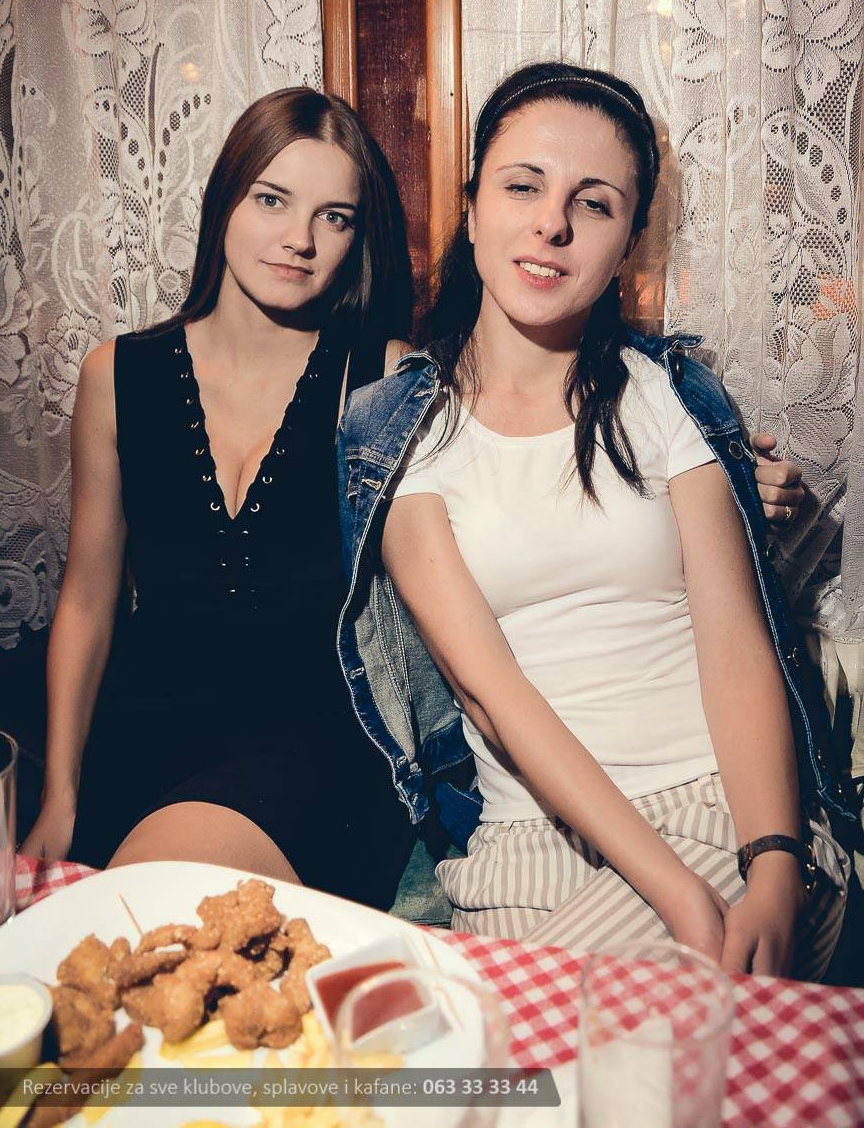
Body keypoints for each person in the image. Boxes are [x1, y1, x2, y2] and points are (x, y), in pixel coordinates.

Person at [336, 62, 853, 977]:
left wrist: (773, 865)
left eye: (594, 203)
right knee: (503, 1052)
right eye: (522, 186)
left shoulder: (666, 396)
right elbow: (491, 696)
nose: (551, 224)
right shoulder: (396, 431)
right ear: (471, 207)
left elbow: (735, 646)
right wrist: (672, 894)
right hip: (523, 846)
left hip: (721, 812)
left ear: (627, 246)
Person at [20, 87, 415, 909]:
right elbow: (88, 598)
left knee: (159, 913)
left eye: (334, 217)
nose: (300, 239)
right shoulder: (115, 375)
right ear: (225, 199)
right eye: (272, 199)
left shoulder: (381, 378)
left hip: (313, 739)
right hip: (144, 727)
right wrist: (59, 790)